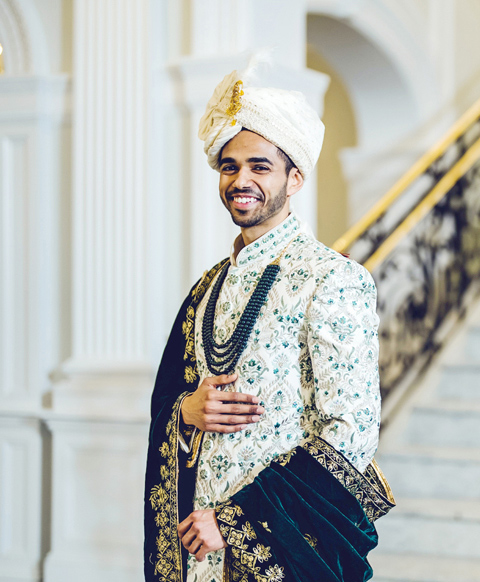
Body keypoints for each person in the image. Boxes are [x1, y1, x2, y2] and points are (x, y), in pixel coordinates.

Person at [144, 63, 394, 582]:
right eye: (229, 166)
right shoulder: (208, 287)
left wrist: (233, 521)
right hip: (198, 553)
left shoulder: (332, 278)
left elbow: (350, 436)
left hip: (280, 549)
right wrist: (186, 411)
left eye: (260, 166)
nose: (242, 181)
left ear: (294, 177)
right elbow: (172, 399)